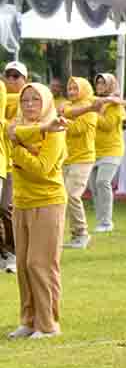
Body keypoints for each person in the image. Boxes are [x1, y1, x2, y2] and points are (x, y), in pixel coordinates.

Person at [7, 83, 67, 339]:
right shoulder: (18, 126)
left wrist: (18, 151)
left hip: (48, 201)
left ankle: (47, 324)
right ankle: (29, 319)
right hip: (21, 203)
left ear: (46, 102)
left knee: (40, 264)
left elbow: (42, 168)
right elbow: (13, 132)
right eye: (25, 100)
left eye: (35, 100)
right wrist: (22, 142)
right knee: (22, 264)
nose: (29, 104)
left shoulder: (57, 131)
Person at [60, 77, 98, 250]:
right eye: (70, 88)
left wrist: (62, 120)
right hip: (66, 158)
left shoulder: (91, 109)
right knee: (62, 196)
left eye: (76, 88)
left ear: (84, 89)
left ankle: (82, 234)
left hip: (83, 159)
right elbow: (63, 111)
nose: (72, 92)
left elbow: (77, 129)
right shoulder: (68, 105)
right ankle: (71, 234)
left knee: (72, 194)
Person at [88, 74, 126, 233]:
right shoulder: (95, 101)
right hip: (94, 150)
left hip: (112, 150)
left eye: (103, 83)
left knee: (102, 182)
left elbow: (108, 125)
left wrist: (94, 113)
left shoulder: (115, 106)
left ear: (111, 85)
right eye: (98, 82)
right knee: (93, 185)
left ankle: (106, 222)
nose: (100, 85)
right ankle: (101, 220)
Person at [0, 61, 23, 274]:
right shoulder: (3, 98)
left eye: (17, 76)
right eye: (9, 76)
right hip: (3, 161)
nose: (12, 80)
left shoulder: (30, 101)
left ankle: (14, 253)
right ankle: (3, 253)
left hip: (15, 163)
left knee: (7, 208)